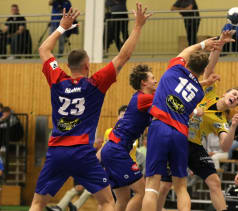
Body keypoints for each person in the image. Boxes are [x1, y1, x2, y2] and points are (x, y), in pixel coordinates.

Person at [29, 3, 150, 211]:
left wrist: (61, 28)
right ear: (87, 66)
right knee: (106, 202)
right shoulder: (95, 83)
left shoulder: (57, 78)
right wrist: (138, 26)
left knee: (38, 203)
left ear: (68, 66)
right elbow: (123, 56)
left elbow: (43, 49)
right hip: (82, 153)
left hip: (57, 151)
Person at [157, 31, 238, 211]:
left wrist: (234, 126)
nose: (235, 98)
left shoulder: (221, 120)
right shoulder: (209, 89)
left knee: (214, 181)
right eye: (234, 94)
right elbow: (209, 66)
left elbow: (226, 146)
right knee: (165, 185)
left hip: (194, 146)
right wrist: (219, 45)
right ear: (225, 92)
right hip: (178, 137)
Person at [140, 29, 225, 211]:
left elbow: (185, 52)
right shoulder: (199, 93)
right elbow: (188, 84)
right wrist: (205, 82)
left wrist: (203, 45)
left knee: (151, 185)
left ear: (187, 64)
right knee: (180, 187)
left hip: (160, 127)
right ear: (202, 70)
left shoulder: (175, 68)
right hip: (180, 135)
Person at [99, 64, 157, 211]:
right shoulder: (143, 98)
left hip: (112, 150)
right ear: (144, 82)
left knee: (123, 199)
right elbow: (168, 95)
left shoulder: (142, 99)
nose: (156, 81)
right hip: (116, 151)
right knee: (142, 192)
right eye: (153, 78)